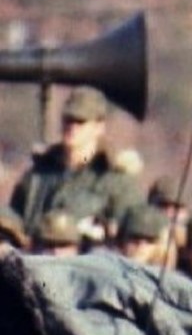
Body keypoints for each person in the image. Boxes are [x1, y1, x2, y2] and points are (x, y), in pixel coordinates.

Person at [10, 87, 143, 239]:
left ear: (99, 127)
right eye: (68, 120)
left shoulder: (117, 183)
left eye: (80, 121)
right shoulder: (37, 176)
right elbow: (14, 223)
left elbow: (132, 237)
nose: (72, 127)